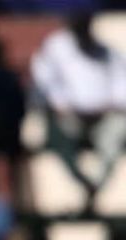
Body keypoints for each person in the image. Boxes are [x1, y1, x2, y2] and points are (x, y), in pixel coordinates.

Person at [31, 12, 126, 215]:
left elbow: (121, 84)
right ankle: (83, 184)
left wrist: (110, 105)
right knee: (56, 134)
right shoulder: (56, 48)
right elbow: (44, 84)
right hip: (69, 117)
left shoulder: (105, 51)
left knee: (117, 132)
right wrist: (62, 105)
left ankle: (95, 186)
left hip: (103, 118)